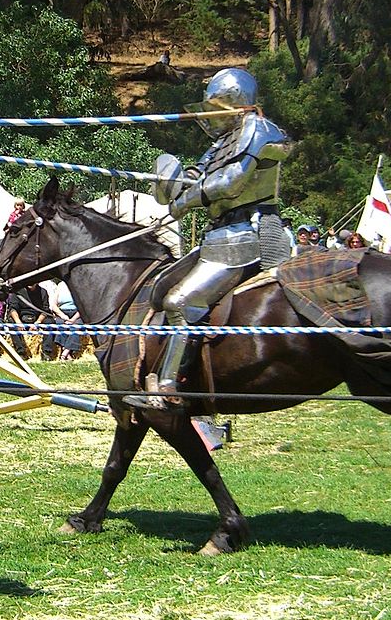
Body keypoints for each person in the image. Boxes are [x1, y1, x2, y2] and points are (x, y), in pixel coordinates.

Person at [124, 68, 293, 411]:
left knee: (180, 303)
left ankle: (170, 387)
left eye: (217, 106)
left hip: (249, 233)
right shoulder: (224, 141)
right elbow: (197, 173)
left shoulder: (257, 130)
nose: (212, 115)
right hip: (222, 236)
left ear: (233, 103)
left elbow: (230, 182)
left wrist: (184, 202)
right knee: (162, 287)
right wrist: (170, 182)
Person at [6, 281, 55, 360]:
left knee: (50, 322)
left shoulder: (42, 292)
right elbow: (12, 309)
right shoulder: (17, 291)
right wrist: (18, 322)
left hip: (37, 318)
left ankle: (46, 352)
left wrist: (37, 322)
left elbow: (45, 310)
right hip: (21, 317)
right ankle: (21, 352)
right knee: (12, 323)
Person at [49, 279, 84, 360]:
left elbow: (83, 306)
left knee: (76, 328)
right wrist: (63, 316)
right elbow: (53, 305)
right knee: (61, 326)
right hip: (62, 312)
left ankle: (65, 352)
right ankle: (68, 354)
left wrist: (73, 319)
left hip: (77, 313)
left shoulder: (79, 285)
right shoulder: (60, 285)